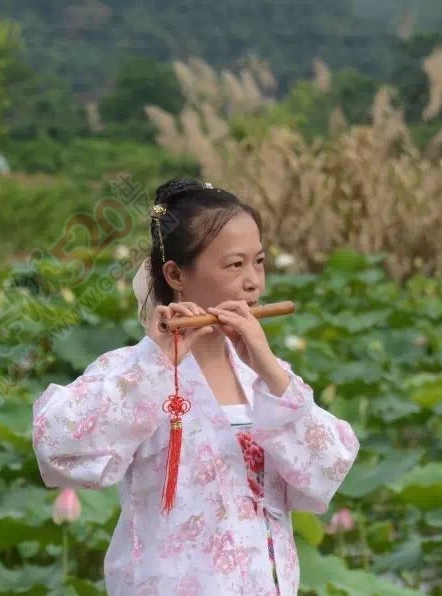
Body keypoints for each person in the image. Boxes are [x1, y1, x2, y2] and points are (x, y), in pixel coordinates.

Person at [32, 178, 360, 595]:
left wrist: (271, 371)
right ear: (175, 274)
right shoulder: (133, 369)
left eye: (259, 262)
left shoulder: (264, 375)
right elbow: (57, 445)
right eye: (234, 265)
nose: (254, 283)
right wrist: (155, 363)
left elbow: (327, 470)